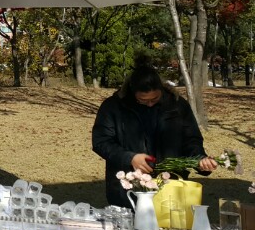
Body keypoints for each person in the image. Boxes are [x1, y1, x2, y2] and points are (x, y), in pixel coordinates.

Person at [92, 64, 217, 207]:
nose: (150, 104)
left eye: (155, 98)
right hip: (128, 189)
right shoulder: (113, 107)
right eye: (143, 100)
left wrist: (200, 160)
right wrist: (130, 158)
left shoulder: (177, 105)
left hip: (169, 187)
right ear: (133, 93)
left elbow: (191, 139)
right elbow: (101, 142)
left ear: (162, 89)